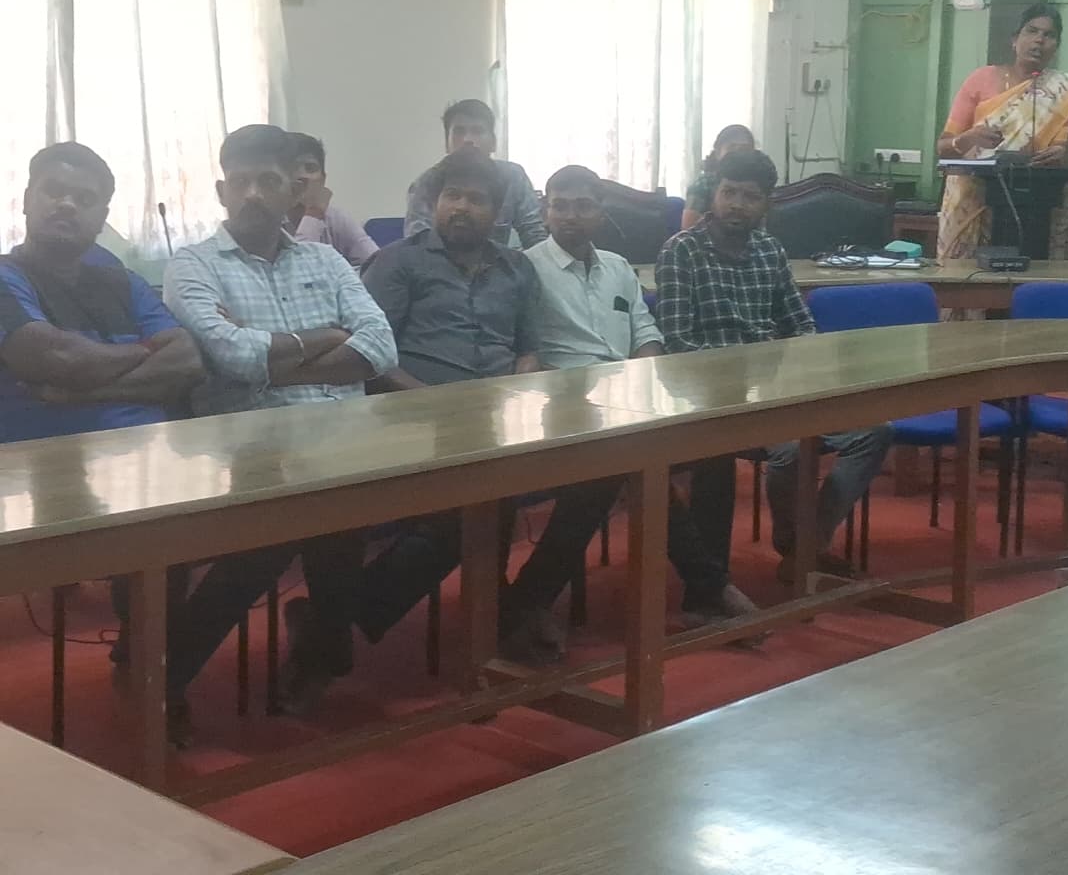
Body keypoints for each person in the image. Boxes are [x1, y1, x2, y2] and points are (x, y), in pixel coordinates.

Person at [163, 124, 398, 738]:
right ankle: (160, 679)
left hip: (346, 442)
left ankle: (319, 650)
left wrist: (274, 357)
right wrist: (332, 337)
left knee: (353, 518)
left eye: (267, 181)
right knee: (268, 544)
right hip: (250, 447)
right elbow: (231, 355)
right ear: (221, 191)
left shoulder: (327, 260)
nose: (252, 194)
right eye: (239, 182)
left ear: (294, 192)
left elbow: (381, 346)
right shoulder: (192, 265)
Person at [279, 146, 539, 700]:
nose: (461, 207)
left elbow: (527, 349)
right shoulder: (400, 262)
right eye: (452, 196)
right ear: (434, 203)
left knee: (496, 500)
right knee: (473, 512)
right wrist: (436, 405)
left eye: (476, 199)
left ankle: (343, 620)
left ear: (498, 213)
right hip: (411, 420)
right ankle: (488, 633)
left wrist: (517, 390)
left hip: (497, 424)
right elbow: (371, 356)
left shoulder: (518, 268)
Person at [505, 164, 758, 662]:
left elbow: (646, 334)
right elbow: (526, 352)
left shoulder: (619, 267)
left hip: (629, 405)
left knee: (709, 455)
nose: (570, 216)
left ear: (601, 212)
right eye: (560, 206)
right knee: (622, 469)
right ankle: (711, 588)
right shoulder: (525, 268)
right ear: (544, 210)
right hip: (561, 408)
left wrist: (642, 384)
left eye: (583, 206)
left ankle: (526, 603)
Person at [0, 142, 205, 664]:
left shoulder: (121, 279)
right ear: (26, 200)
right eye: (54, 191)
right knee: (159, 535)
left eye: (84, 198)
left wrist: (86, 388)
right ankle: (152, 667)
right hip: (44, 469)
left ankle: (149, 664)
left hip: (147, 461)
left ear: (102, 215)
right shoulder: (6, 276)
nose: (67, 204)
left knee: (235, 524)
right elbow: (54, 357)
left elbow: (186, 360)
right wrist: (142, 352)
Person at [656, 149, 893, 583]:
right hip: (715, 395)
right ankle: (798, 548)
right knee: (791, 451)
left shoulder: (770, 249)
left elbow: (800, 323)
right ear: (714, 194)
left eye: (750, 197)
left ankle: (805, 544)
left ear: (766, 203)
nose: (737, 205)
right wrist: (748, 371)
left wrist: (803, 365)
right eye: (729, 193)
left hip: (778, 388)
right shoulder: (681, 252)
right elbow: (678, 343)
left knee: (872, 433)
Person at [936, 4, 1068, 261]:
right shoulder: (981, 79)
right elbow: (943, 147)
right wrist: (969, 138)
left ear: (1056, 46)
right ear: (1015, 40)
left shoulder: (1066, 91)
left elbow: (1062, 145)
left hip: (1034, 206)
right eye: (1032, 31)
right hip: (973, 196)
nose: (1039, 40)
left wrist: (1060, 151)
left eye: (1049, 35)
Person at [404, 99, 547, 250]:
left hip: (498, 263)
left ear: (493, 142)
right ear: (447, 143)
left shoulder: (513, 176)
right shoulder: (425, 183)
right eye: (459, 132)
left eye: (477, 131)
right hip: (440, 263)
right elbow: (418, 245)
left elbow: (534, 235)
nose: (468, 140)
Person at [287, 132, 380, 269]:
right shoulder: (270, 220)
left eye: (310, 168)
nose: (302, 176)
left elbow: (378, 264)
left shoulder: (336, 217)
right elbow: (296, 270)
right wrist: (314, 214)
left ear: (323, 179)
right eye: (292, 168)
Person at [682, 124, 756, 230]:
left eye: (744, 149)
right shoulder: (704, 183)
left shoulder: (757, 183)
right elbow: (688, 227)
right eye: (732, 148)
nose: (738, 154)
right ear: (718, 153)